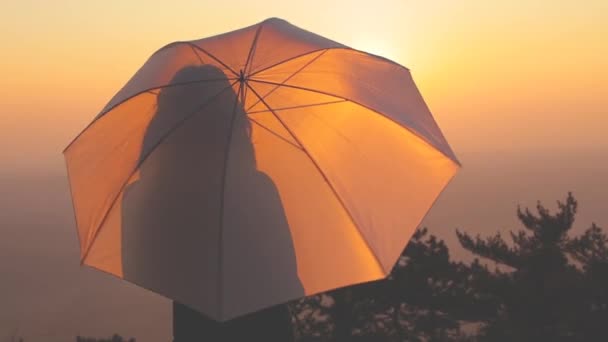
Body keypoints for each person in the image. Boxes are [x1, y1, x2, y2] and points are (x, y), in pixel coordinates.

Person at [120, 64, 302, 341]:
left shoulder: (143, 199)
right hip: (267, 330)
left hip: (194, 331)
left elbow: (140, 273)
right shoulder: (257, 190)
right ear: (233, 122)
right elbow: (290, 283)